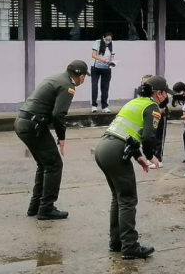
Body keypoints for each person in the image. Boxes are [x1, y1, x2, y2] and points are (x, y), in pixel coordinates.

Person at [94, 75, 173, 260]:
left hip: (104, 147)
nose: (165, 97)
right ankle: (130, 246)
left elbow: (128, 133)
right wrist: (150, 155)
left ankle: (117, 243)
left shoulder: (135, 102)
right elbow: (147, 136)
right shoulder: (152, 107)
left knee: (119, 198)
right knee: (128, 199)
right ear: (158, 93)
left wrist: (138, 157)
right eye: (164, 93)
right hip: (116, 151)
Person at [15, 60, 88, 220]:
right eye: (84, 78)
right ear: (81, 77)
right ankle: (46, 208)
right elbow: (58, 114)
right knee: (54, 165)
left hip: (23, 122)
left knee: (45, 164)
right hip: (34, 126)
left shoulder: (56, 78)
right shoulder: (68, 86)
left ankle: (35, 207)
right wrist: (61, 137)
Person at [134, 75, 168, 169]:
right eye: (143, 83)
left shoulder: (160, 94)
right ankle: (151, 158)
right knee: (151, 138)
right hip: (150, 117)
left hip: (159, 117)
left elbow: (163, 106)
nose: (144, 85)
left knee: (159, 138)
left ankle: (158, 158)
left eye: (147, 83)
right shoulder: (142, 94)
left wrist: (156, 114)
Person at [90, 32, 115, 113]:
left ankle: (105, 106)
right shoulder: (97, 43)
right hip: (96, 68)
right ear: (103, 37)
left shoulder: (112, 45)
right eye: (106, 39)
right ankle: (94, 105)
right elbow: (93, 55)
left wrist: (111, 62)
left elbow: (112, 57)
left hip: (106, 69)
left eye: (110, 40)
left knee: (105, 88)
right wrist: (102, 59)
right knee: (94, 87)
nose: (108, 41)